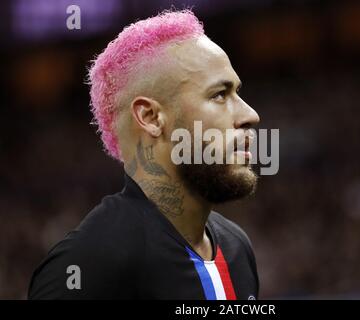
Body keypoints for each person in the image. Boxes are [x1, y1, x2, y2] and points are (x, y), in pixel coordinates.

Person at [29, 9, 260, 300]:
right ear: (150, 117)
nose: (250, 115)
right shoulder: (86, 265)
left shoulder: (236, 248)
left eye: (237, 92)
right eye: (219, 95)